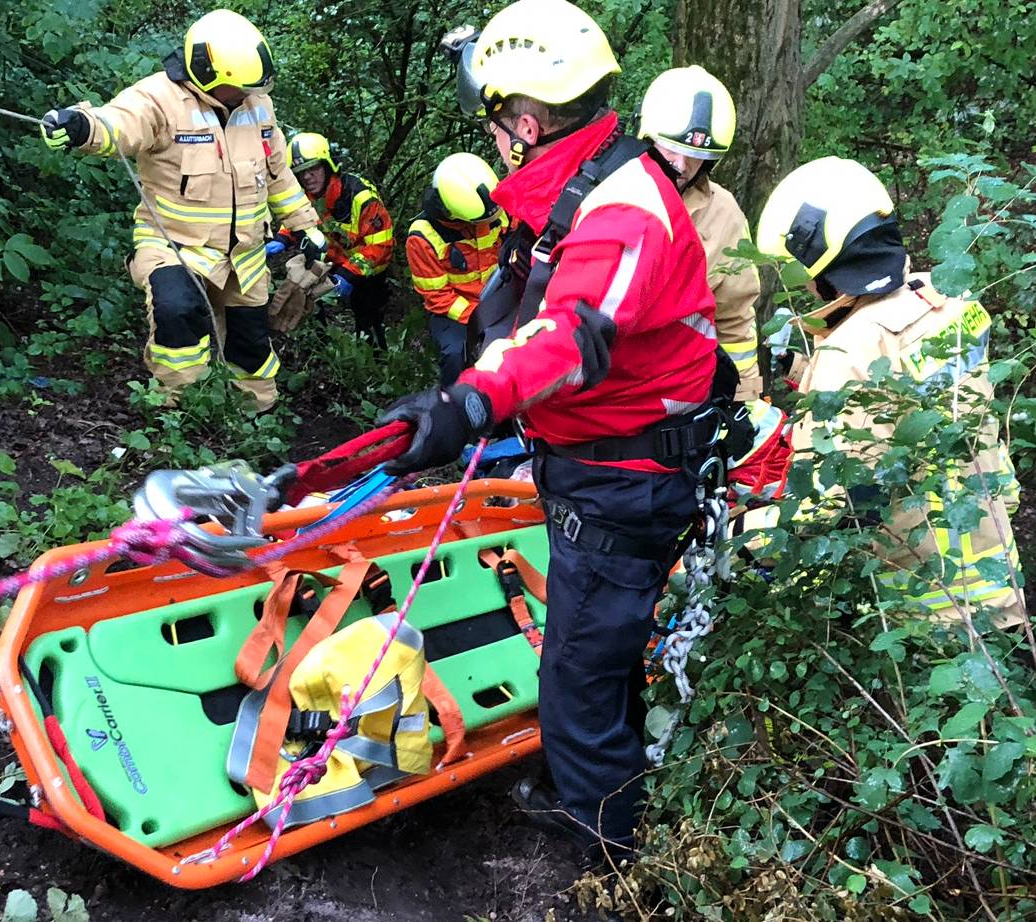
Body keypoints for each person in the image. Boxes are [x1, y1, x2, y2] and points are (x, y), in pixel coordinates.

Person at [376, 0, 722, 867]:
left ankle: (608, 849)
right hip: (609, 469)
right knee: (602, 656)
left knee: (576, 674)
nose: (494, 137)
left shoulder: (622, 210)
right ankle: (614, 790)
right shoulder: (589, 180)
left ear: (525, 125)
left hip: (625, 483)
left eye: (495, 121)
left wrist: (470, 404)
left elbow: (571, 333)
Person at [756, 157, 1028, 629]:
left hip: (925, 606)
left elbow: (828, 502)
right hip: (995, 568)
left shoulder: (848, 351)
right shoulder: (942, 302)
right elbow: (905, 389)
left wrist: (741, 534)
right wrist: (801, 367)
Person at [39, 10, 323, 412]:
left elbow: (276, 172)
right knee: (177, 312)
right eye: (238, 87)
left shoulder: (258, 105)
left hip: (243, 254)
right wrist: (81, 127)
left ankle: (257, 412)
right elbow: (118, 124)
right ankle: (179, 411)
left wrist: (305, 225)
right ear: (206, 73)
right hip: (173, 244)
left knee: (250, 342)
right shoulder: (157, 99)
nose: (245, 95)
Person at [636, 66, 765, 401]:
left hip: (679, 395)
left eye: (695, 155)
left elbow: (734, 321)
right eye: (671, 148)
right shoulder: (608, 192)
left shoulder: (723, 215)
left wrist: (744, 401)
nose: (681, 164)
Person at [404, 152, 507, 386]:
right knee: (454, 355)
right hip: (454, 310)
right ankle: (453, 399)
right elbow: (437, 297)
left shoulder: (493, 209)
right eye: (477, 224)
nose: (484, 226)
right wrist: (479, 318)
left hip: (499, 295)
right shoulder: (423, 237)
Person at [287, 132, 396, 349]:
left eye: (313, 169)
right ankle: (320, 346)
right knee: (307, 296)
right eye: (301, 173)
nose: (307, 177)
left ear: (328, 166)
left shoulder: (360, 196)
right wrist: (282, 237)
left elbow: (380, 247)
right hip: (333, 260)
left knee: (368, 317)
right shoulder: (307, 196)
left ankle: (375, 357)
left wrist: (349, 273)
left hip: (367, 269)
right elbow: (297, 218)